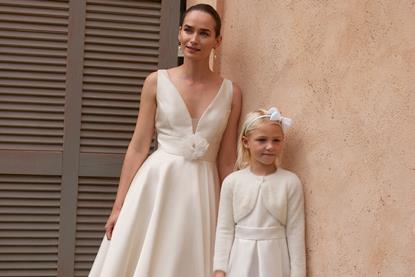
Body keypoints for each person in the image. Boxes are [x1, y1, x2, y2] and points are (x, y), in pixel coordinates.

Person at [89, 4, 242, 277]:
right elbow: (138, 147)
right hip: (156, 184)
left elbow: (227, 160)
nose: (194, 39)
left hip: (203, 191)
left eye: (204, 33)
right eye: (188, 30)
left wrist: (234, 216)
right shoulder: (155, 82)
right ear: (179, 33)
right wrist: (118, 207)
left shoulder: (232, 93)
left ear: (218, 40)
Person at [213, 107, 306, 277]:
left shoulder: (290, 182)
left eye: (276, 140)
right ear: (246, 142)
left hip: (275, 259)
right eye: (262, 140)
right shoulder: (232, 182)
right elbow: (224, 229)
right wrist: (220, 269)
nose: (269, 146)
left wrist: (298, 273)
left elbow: (295, 232)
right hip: (240, 258)